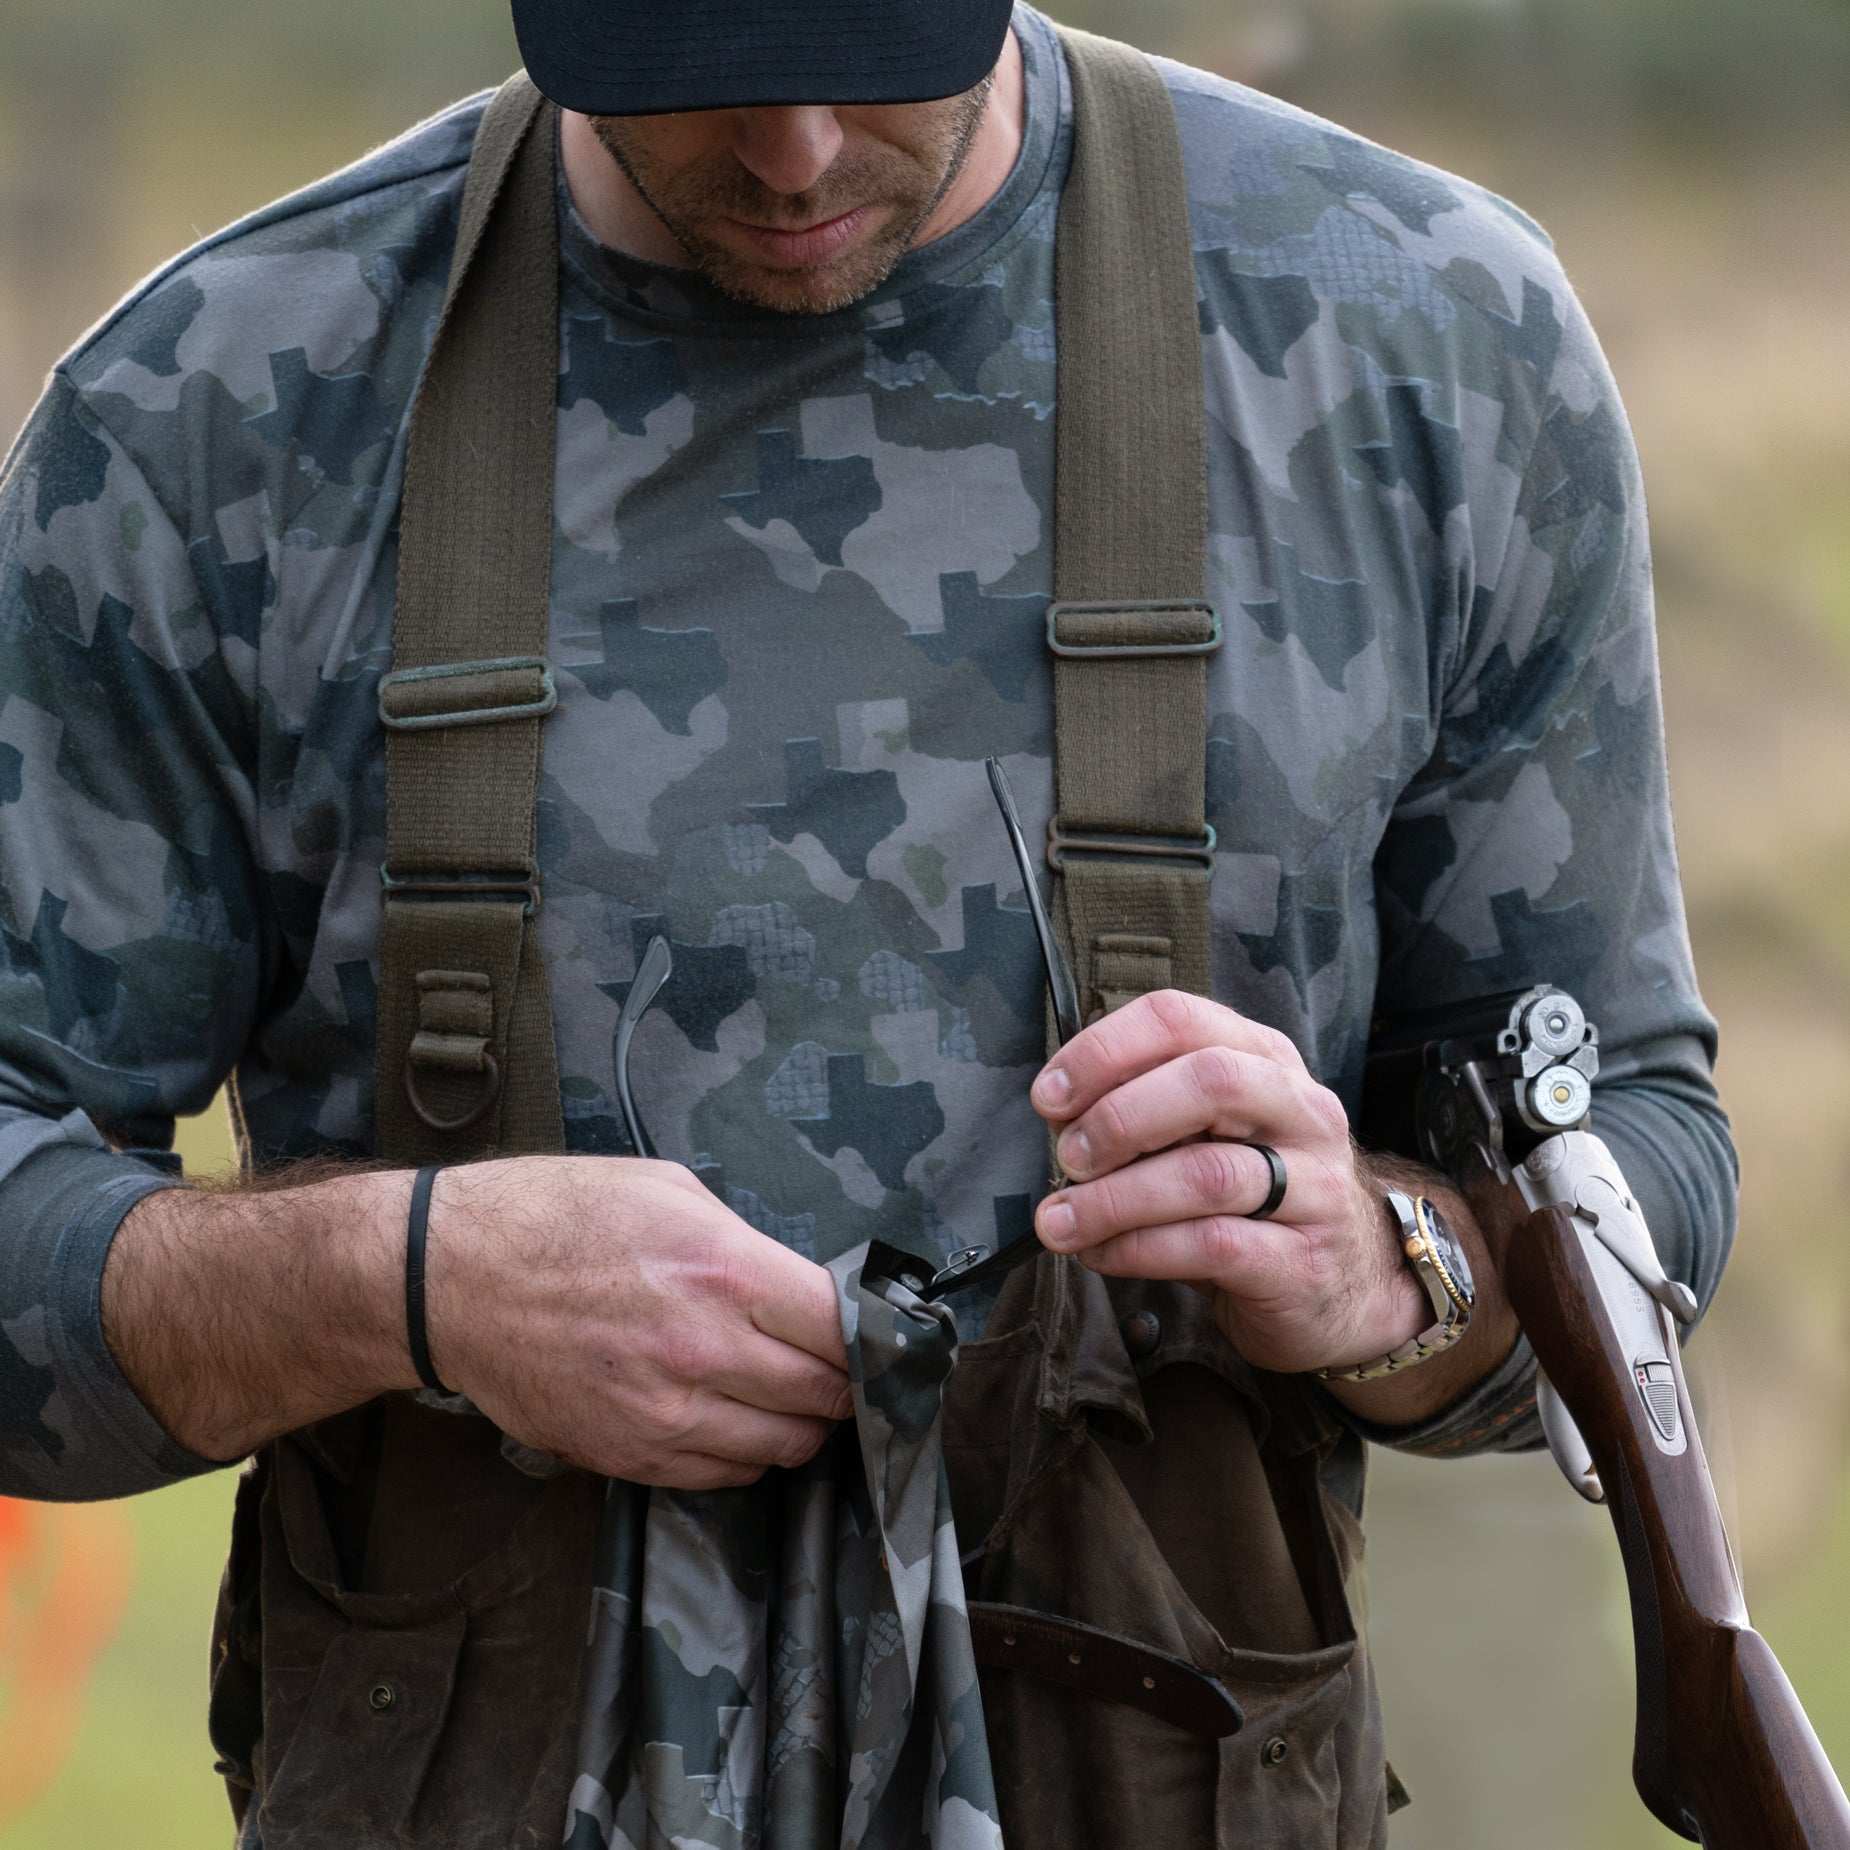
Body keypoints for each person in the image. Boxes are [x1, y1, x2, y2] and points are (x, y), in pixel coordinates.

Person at [0, 1, 1735, 1844]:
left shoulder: (1423, 343)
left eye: (874, 49)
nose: (796, 150)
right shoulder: (215, 413)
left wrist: (1394, 1272)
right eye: (695, 71)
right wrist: (408, 1278)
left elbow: (1637, 1150)